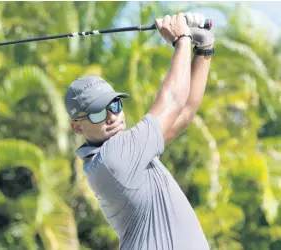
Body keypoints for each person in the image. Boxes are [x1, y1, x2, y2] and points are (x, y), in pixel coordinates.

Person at [64, 13, 214, 250]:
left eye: (115, 104)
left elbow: (184, 113)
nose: (112, 116)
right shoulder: (113, 159)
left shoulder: (133, 153)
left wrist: (203, 49)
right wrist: (182, 39)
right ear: (77, 127)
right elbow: (173, 100)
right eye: (97, 113)